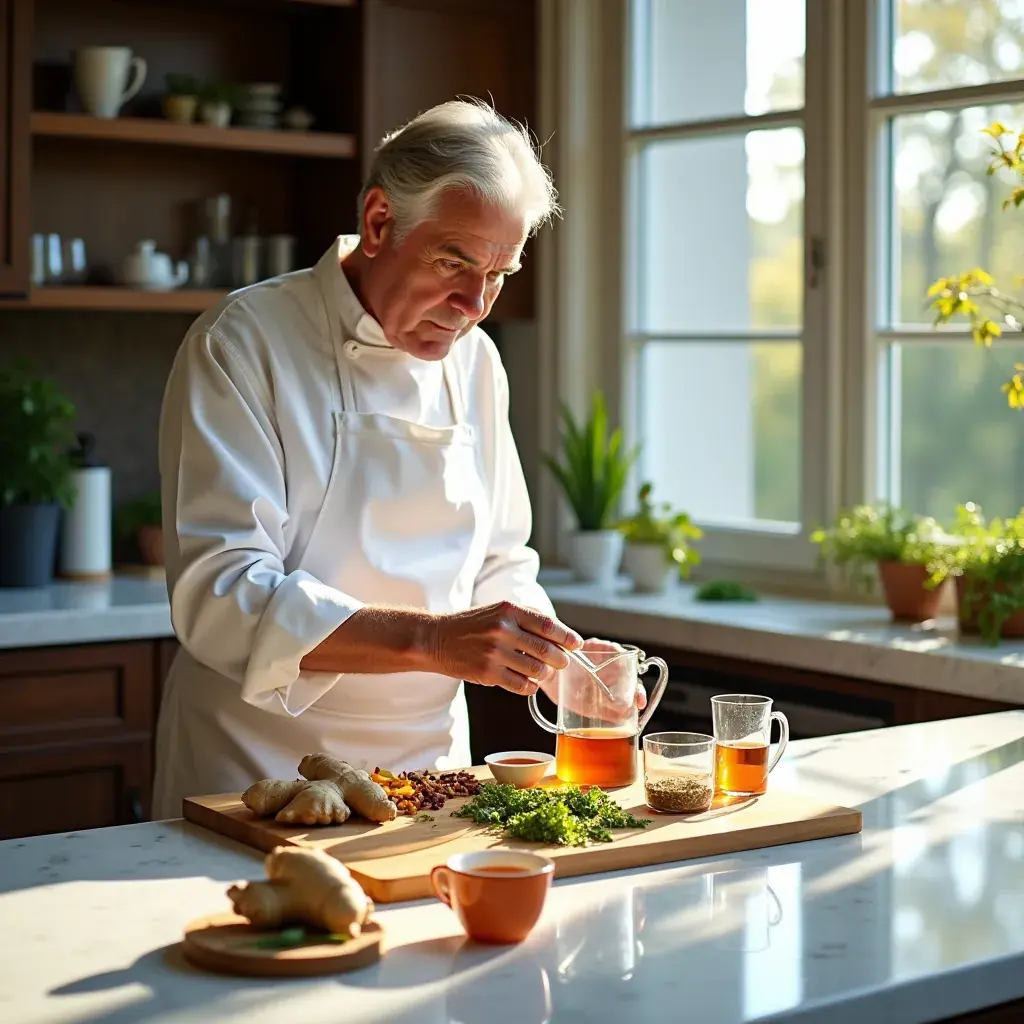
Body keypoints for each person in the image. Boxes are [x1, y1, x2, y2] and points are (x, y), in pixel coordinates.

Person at [151, 99, 639, 818]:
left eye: (500, 273)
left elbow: (500, 559)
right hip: (254, 768)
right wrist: (433, 640)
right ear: (380, 221)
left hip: (428, 774)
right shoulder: (243, 341)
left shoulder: (476, 363)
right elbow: (220, 597)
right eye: (455, 262)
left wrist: (552, 657)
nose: (475, 304)